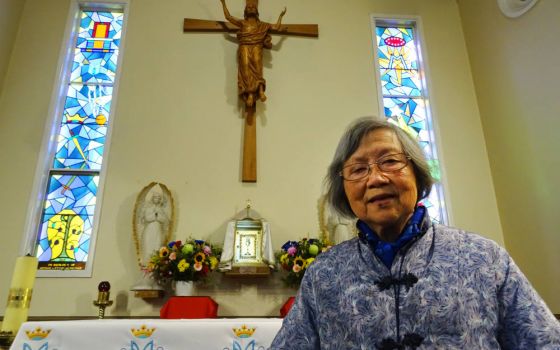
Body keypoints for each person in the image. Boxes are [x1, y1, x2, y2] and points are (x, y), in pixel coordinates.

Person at [271, 117, 560, 349]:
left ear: (417, 172)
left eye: (390, 161)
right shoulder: (324, 273)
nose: (376, 178)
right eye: (358, 169)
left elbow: (545, 341)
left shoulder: (484, 258)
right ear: (344, 191)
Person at [220, 0, 286, 108]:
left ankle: (260, 90)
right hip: (245, 46)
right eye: (248, 7)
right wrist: (223, 3)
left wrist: (281, 16)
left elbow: (276, 27)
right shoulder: (242, 23)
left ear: (257, 11)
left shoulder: (262, 25)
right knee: (245, 66)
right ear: (245, 11)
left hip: (257, 46)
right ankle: (250, 93)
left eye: (253, 7)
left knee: (256, 64)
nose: (251, 7)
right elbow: (229, 17)